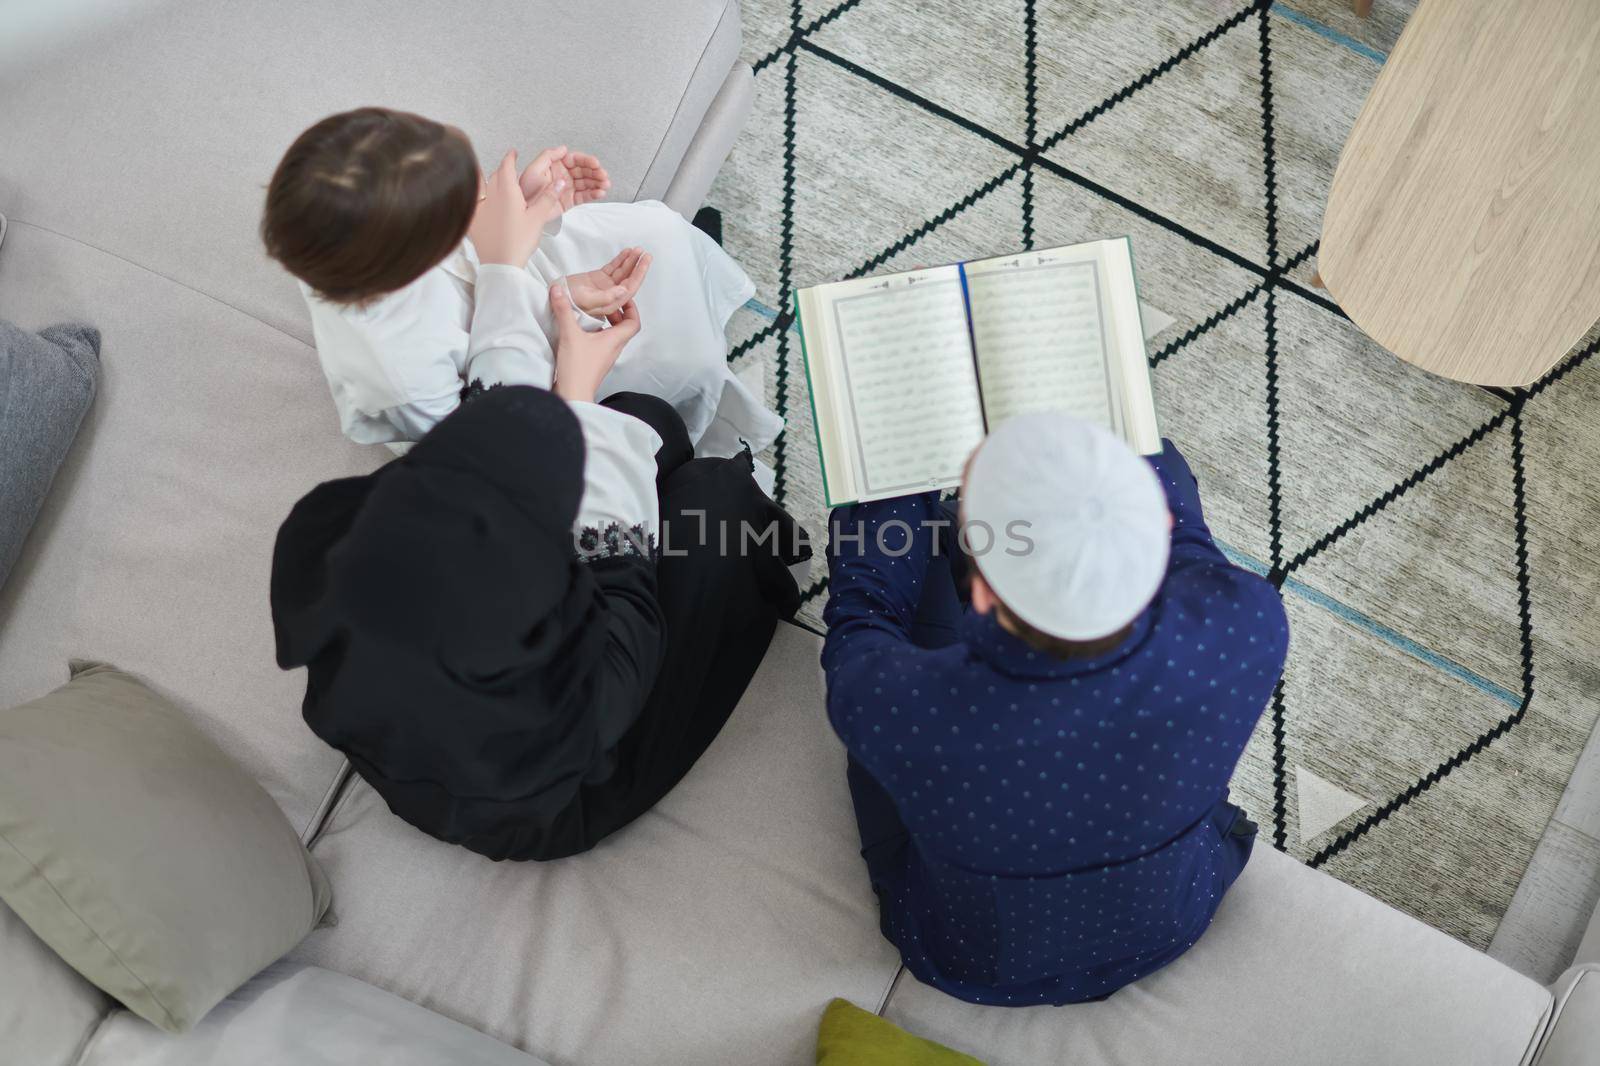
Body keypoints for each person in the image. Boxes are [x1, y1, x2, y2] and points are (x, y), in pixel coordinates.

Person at [269, 290, 807, 861]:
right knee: (715, 502)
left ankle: (679, 483)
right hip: (564, 789)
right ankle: (753, 557)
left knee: (641, 419)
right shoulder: (587, 679)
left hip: (457, 706)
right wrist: (573, 401)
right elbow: (619, 568)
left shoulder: (357, 560)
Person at [820, 415, 1290, 1005]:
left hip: (970, 957)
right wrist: (1099, 430)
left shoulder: (901, 708)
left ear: (982, 593)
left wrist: (892, 464)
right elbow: (1185, 532)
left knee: (906, 549)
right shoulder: (1249, 622)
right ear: (1160, 528)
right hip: (1168, 924)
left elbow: (865, 614)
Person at [261, 106, 779, 467]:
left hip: (507, 282)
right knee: (676, 359)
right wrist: (523, 275)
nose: (482, 195)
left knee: (657, 234)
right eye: (468, 200)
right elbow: (497, 416)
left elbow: (470, 252)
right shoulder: (401, 379)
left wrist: (529, 208)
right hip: (511, 378)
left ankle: (698, 294)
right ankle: (701, 422)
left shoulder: (380, 243)